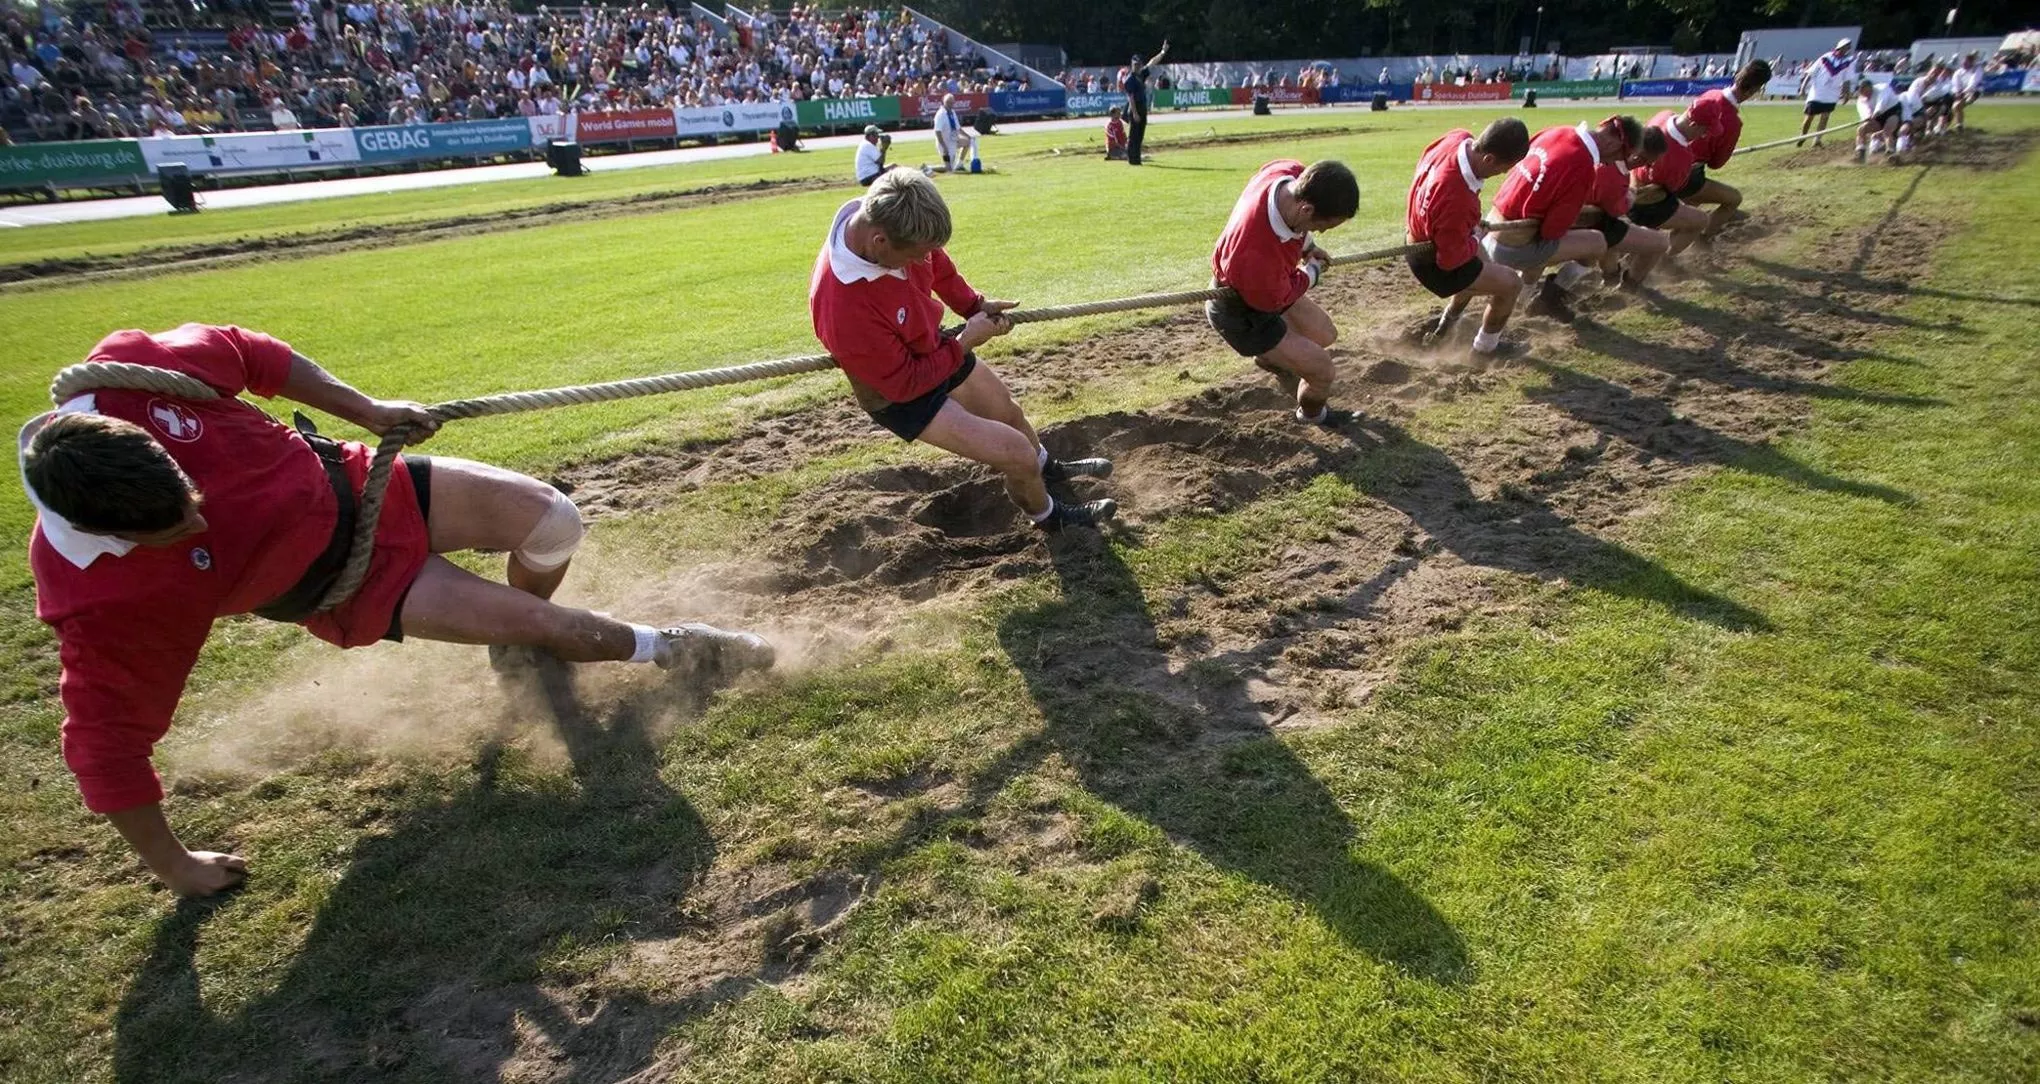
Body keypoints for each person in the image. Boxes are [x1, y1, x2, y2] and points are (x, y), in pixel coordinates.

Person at [25, 325, 774, 898]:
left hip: (359, 486)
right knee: (561, 629)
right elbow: (104, 744)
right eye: (172, 534)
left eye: (188, 501)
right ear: (107, 532)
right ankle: (682, 646)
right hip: (349, 585)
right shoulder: (99, 593)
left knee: (554, 521)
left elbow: (248, 353)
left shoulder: (135, 381)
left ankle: (510, 643)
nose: (198, 525)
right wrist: (175, 865)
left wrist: (368, 410)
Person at [810, 171, 1115, 531]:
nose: (925, 258)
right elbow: (905, 383)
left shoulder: (899, 221)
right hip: (901, 393)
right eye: (917, 255)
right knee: (1016, 454)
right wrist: (965, 341)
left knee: (1008, 412)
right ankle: (1050, 517)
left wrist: (974, 306)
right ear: (879, 242)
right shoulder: (842, 306)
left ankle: (1048, 468)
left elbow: (937, 266)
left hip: (932, 346)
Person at [1208, 159, 1361, 423]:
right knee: (1323, 371)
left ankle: (1275, 360)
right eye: (1322, 225)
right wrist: (1312, 271)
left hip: (1264, 288)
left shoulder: (1288, 175)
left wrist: (1307, 246)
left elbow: (1292, 228)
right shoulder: (1255, 253)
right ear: (1305, 209)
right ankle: (1313, 417)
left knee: (1325, 334)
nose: (1322, 231)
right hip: (1241, 313)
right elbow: (1279, 295)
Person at [1486, 115, 1641, 323]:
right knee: (1597, 243)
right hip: (1509, 246)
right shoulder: (1583, 166)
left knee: (1554, 247)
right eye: (1621, 155)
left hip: (1492, 224)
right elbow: (1552, 231)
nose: (1614, 162)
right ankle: (1550, 299)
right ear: (1614, 143)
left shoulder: (1557, 131)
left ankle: (1523, 299)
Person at [1407, 117, 1532, 358]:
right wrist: (1476, 235)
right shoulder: (1458, 198)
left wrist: (1465, 228)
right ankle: (1485, 349)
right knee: (1510, 284)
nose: (1503, 173)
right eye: (1503, 168)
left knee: (1486, 270)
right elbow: (1450, 261)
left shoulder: (1456, 138)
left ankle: (1447, 324)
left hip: (1420, 235)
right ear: (1488, 159)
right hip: (1432, 262)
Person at [1679, 60, 1771, 243]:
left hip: (1671, 160)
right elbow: (1716, 164)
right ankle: (1702, 239)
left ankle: (1682, 230)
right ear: (1754, 89)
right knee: (1733, 199)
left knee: (1692, 204)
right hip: (1689, 176)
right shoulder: (1733, 122)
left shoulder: (1710, 93)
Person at [1627, 107, 1715, 264]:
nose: (1704, 135)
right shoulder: (1682, 157)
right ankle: (1662, 260)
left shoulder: (1664, 115)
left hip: (1631, 180)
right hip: (1644, 200)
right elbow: (1673, 189)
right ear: (1693, 124)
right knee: (1701, 220)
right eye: (1704, 129)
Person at [1121, 38, 1168, 166]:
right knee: (1133, 135)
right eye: (1134, 64)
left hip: (1142, 107)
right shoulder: (1129, 79)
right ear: (1131, 65)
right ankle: (1132, 159)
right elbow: (1130, 97)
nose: (1136, 66)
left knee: (1140, 134)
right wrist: (1135, 113)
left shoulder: (1141, 74)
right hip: (1135, 107)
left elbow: (1152, 62)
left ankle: (1137, 158)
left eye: (1138, 64)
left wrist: (1162, 52)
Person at [1799, 38, 1854, 146]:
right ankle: (1803, 136)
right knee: (1809, 116)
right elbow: (1811, 72)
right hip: (1817, 92)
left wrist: (1846, 94)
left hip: (1832, 94)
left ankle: (1817, 140)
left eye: (1848, 47)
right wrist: (1803, 87)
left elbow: (1846, 79)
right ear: (1840, 46)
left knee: (1825, 117)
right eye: (1846, 46)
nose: (1847, 49)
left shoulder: (1848, 62)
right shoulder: (1825, 57)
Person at [1854, 78, 1903, 162]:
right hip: (1876, 118)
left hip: (1891, 112)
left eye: (1865, 91)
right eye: (1861, 91)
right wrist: (1867, 117)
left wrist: (1876, 113)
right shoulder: (1861, 99)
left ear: (1870, 87)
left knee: (1887, 131)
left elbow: (1882, 101)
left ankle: (1890, 152)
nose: (1864, 94)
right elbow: (1864, 111)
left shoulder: (1883, 88)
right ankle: (1860, 154)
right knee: (1861, 129)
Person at [932, 92, 971, 172]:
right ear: (944, 102)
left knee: (968, 142)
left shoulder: (952, 112)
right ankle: (928, 168)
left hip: (953, 140)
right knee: (948, 169)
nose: (950, 105)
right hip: (944, 143)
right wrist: (944, 146)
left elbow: (958, 128)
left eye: (952, 103)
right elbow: (937, 131)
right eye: (948, 103)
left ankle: (959, 164)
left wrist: (968, 136)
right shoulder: (940, 114)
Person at [1951, 53, 1982, 132]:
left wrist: (1964, 92)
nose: (1964, 64)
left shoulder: (1977, 70)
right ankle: (1959, 126)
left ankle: (1959, 124)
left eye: (1966, 62)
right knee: (1956, 106)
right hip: (1961, 92)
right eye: (1963, 62)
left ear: (1971, 62)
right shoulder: (1958, 72)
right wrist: (1958, 92)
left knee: (1963, 103)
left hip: (1974, 91)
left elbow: (1973, 83)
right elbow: (1956, 84)